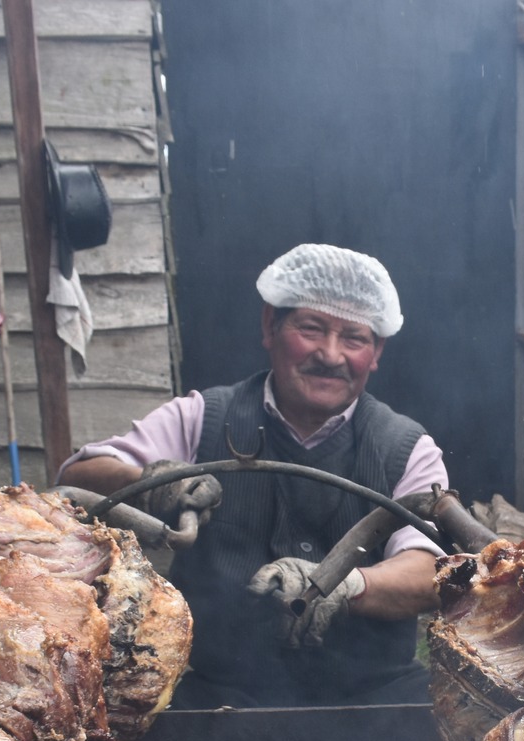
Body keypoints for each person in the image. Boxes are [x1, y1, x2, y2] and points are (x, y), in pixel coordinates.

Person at [59, 244, 447, 708]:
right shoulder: (203, 417)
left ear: (377, 351)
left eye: (354, 338)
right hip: (222, 698)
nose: (330, 354)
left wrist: (348, 586)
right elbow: (78, 477)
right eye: (311, 329)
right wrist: (154, 484)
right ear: (270, 326)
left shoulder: (405, 447)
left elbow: (431, 572)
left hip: (375, 698)